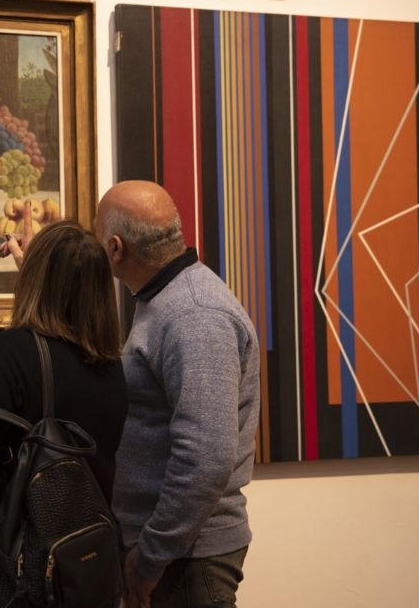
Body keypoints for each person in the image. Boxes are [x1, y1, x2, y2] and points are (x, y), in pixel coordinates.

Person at [0, 219, 128, 608]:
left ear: (35, 281)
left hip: (18, 579)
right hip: (84, 573)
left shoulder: (12, 352)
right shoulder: (112, 366)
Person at [93, 180, 260, 608]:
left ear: (115, 248)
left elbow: (206, 459)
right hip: (174, 553)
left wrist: (149, 559)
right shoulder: (165, 298)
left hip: (186, 560)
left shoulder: (194, 314)